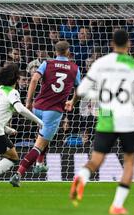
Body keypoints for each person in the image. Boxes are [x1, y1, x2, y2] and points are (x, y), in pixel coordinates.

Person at [69, 29, 134, 215]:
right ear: (128, 44)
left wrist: (101, 96)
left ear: (112, 44)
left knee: (96, 160)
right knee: (129, 163)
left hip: (107, 119)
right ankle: (117, 205)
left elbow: (81, 90)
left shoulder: (100, 63)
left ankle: (82, 176)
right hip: (128, 120)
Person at [9, 41, 81, 187]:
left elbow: (34, 79)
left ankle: (40, 164)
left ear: (55, 52)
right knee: (39, 145)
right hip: (53, 111)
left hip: (38, 107)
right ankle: (18, 174)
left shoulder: (47, 64)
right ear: (68, 52)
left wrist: (28, 102)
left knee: (42, 136)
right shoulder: (74, 68)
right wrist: (72, 102)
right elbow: (79, 89)